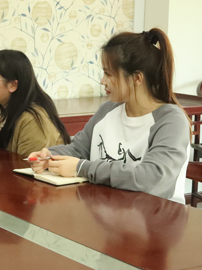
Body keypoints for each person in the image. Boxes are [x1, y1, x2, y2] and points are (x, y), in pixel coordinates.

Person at [29, 28, 190, 204]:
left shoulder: (172, 121)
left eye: (108, 74)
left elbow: (149, 178)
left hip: (155, 217)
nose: (102, 81)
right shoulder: (108, 110)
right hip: (107, 211)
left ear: (137, 78)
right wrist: (49, 156)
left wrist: (81, 168)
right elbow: (78, 150)